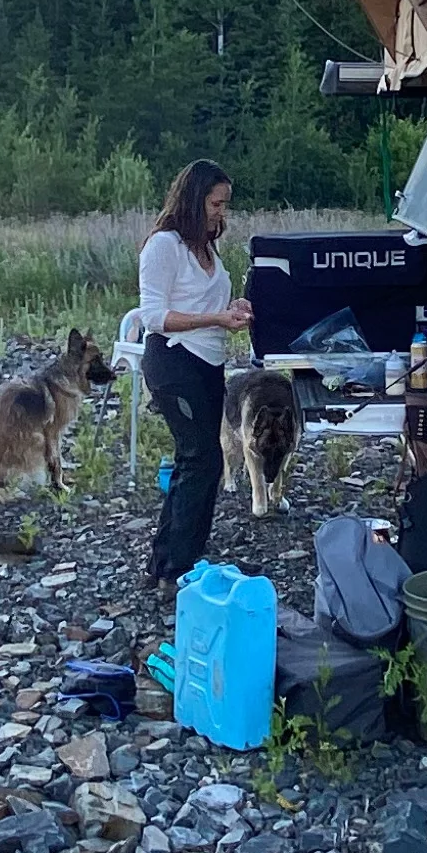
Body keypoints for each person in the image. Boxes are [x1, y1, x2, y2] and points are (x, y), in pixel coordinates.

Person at [139, 158, 246, 593]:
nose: (221, 211)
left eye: (224, 204)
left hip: (207, 363)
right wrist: (215, 318)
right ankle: (177, 569)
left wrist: (232, 309)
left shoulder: (205, 245)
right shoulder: (164, 245)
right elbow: (153, 315)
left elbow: (208, 303)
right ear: (193, 199)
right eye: (216, 203)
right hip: (174, 361)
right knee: (200, 459)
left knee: (201, 460)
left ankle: (167, 563)